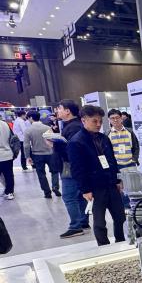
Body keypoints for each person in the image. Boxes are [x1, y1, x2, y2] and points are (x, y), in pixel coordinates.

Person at [68, 105, 126, 246]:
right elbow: (77, 169)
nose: (98, 124)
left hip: (111, 183)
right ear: (84, 120)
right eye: (94, 121)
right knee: (99, 222)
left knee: (120, 216)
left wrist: (117, 179)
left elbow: (112, 160)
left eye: (100, 121)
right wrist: (85, 189)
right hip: (94, 188)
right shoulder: (76, 142)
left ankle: (121, 241)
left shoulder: (103, 138)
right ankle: (104, 246)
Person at [55, 99, 90, 238]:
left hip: (70, 167)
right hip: (74, 166)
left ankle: (75, 226)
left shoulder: (73, 127)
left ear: (67, 111)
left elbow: (72, 151)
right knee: (80, 196)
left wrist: (54, 145)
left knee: (69, 197)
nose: (57, 111)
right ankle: (83, 221)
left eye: (59, 108)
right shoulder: (72, 125)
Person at [24, 111, 60, 198]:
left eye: (28, 118)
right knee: (54, 171)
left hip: (37, 154)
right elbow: (54, 140)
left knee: (41, 174)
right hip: (50, 153)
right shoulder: (47, 127)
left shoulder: (28, 130)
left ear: (31, 118)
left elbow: (26, 145)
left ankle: (47, 192)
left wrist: (27, 156)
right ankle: (55, 187)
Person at [0, 119, 14, 200]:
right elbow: (12, 138)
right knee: (8, 175)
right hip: (7, 154)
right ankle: (9, 192)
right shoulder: (5, 124)